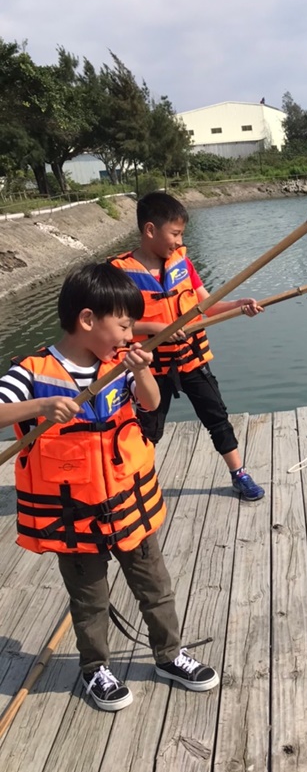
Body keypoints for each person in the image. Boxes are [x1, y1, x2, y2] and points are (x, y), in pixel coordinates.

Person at [0, 263, 219, 712]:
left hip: (128, 506)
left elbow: (150, 403)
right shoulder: (32, 370)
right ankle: (95, 668)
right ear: (87, 320)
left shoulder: (119, 363)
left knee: (156, 587)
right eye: (122, 325)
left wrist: (143, 372)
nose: (128, 334)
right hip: (73, 517)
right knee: (89, 601)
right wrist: (39, 405)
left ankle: (169, 654)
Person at [110, 192, 265, 500]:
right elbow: (113, 327)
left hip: (191, 359)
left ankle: (239, 473)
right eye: (175, 233)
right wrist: (155, 328)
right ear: (150, 230)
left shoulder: (182, 263)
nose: (179, 241)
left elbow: (208, 305)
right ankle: (137, 482)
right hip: (149, 369)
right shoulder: (119, 274)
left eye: (182, 234)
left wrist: (238, 305)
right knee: (148, 428)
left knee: (216, 416)